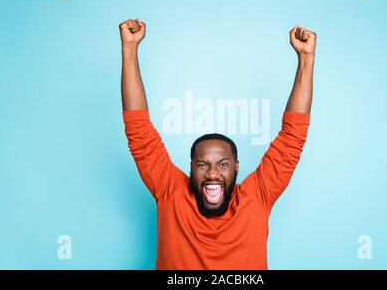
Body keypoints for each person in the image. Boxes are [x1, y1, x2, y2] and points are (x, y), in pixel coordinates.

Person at [119, 18, 316, 269]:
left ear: (236, 167)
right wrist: (129, 48)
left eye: (222, 164)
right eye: (203, 164)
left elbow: (292, 137)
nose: (212, 173)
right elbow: (140, 132)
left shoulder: (256, 197)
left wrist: (306, 59)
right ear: (191, 167)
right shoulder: (171, 192)